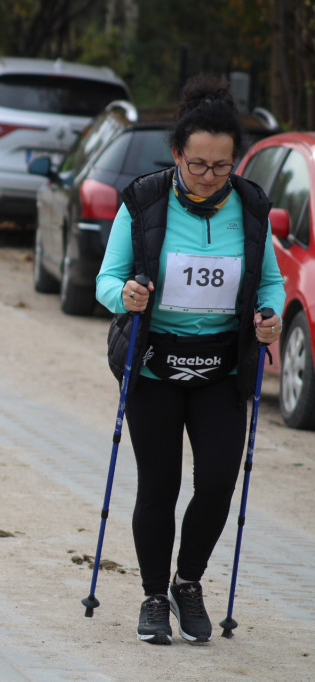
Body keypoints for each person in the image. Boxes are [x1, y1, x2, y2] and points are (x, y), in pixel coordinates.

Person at [95, 73, 285, 646]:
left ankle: (188, 582)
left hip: (221, 367)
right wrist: (125, 297)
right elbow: (107, 279)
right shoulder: (144, 200)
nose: (208, 177)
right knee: (160, 485)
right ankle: (154, 596)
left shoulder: (251, 208)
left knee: (219, 483)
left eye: (222, 167)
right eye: (197, 165)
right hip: (154, 363)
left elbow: (270, 283)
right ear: (178, 154)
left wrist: (268, 316)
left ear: (236, 163)